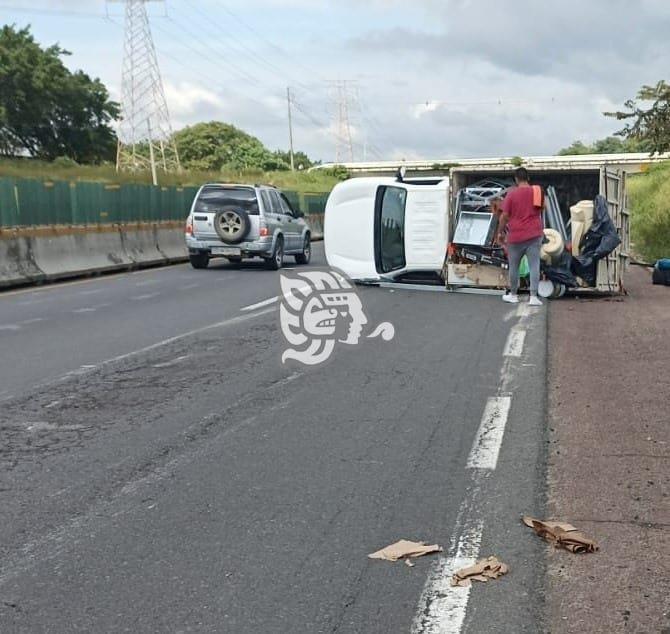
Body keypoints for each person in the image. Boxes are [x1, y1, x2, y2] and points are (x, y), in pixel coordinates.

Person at [496, 167, 544, 305]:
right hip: (534, 234)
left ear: (516, 179)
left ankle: (513, 295)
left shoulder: (511, 194)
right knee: (534, 265)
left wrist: (500, 232)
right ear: (528, 177)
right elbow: (542, 208)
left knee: (514, 266)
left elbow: (504, 216)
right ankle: (534, 297)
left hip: (516, 236)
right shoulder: (537, 191)